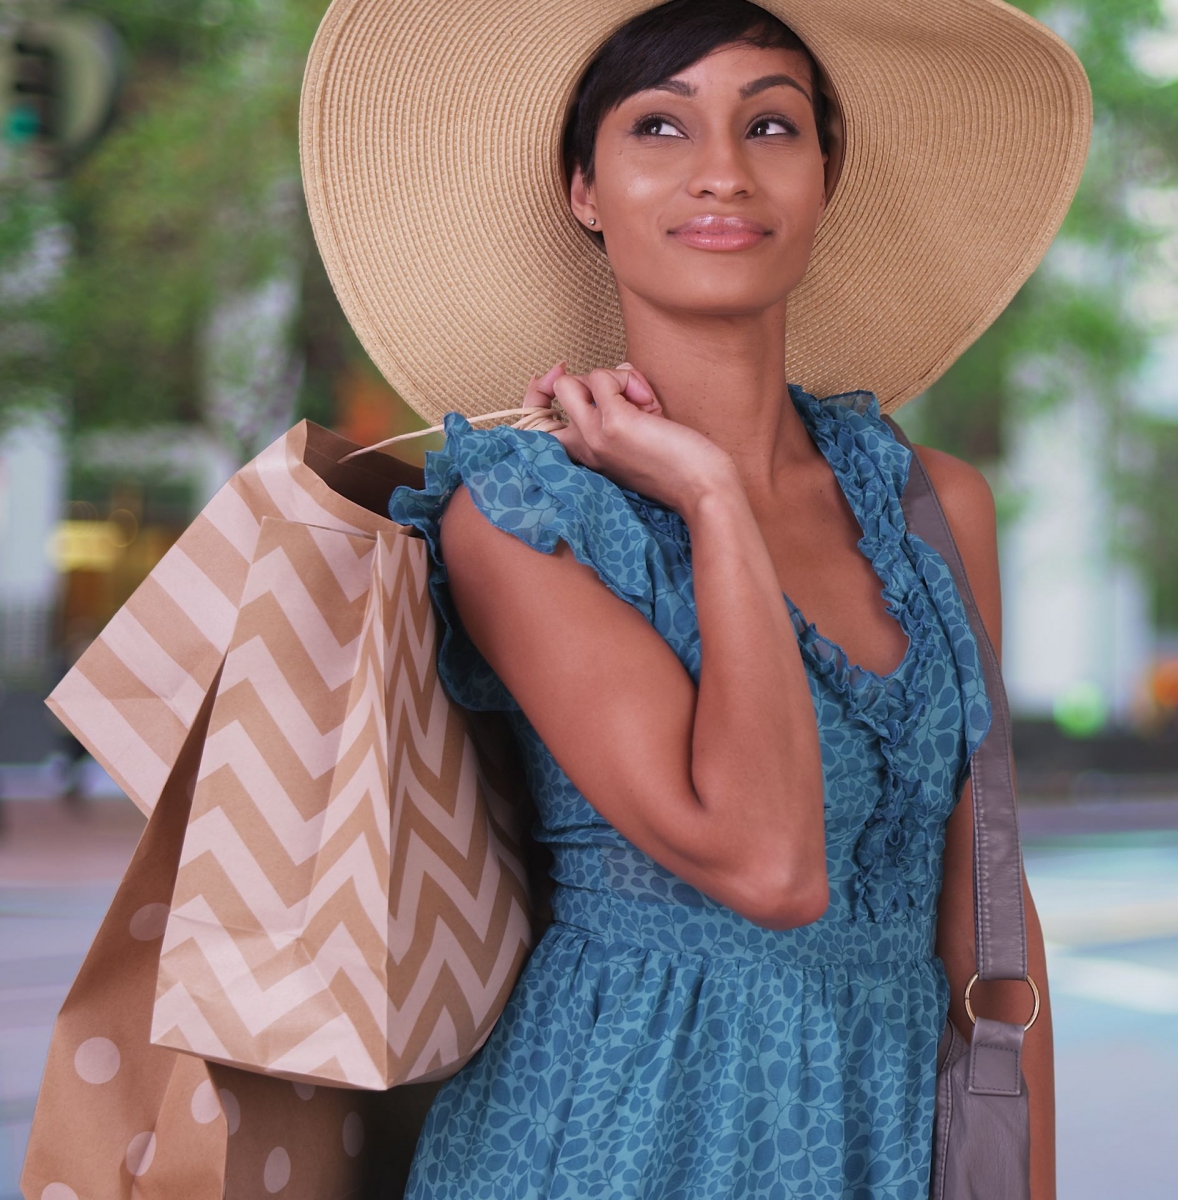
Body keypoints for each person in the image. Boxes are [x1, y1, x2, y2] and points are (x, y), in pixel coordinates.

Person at [300, 0, 1091, 1194]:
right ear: (583, 189)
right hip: (619, 1124)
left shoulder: (931, 506)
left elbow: (984, 898)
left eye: (769, 125)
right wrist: (714, 502)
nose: (720, 171)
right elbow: (768, 868)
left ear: (825, 175)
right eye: (658, 128)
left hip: (888, 1123)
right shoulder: (520, 515)